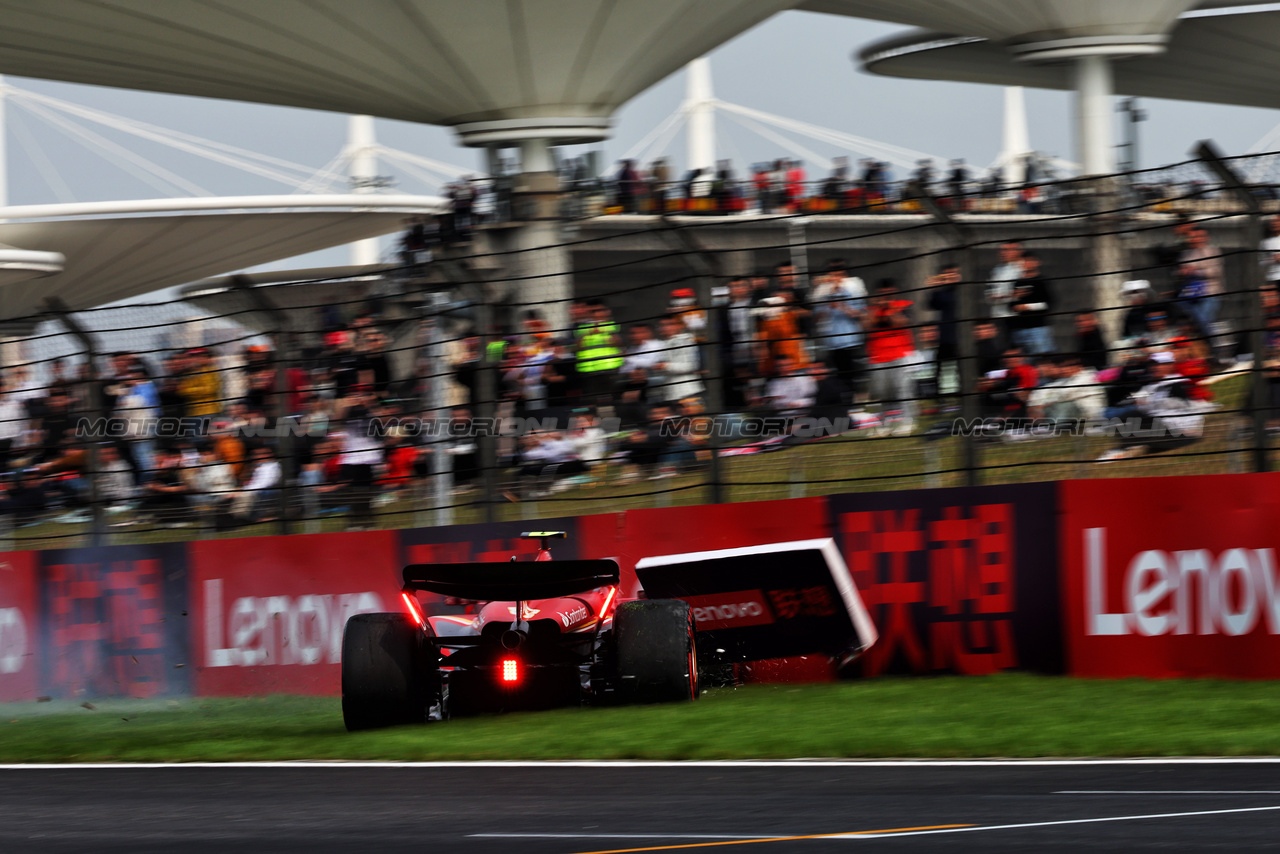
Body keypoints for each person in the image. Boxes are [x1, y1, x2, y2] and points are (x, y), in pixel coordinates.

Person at [866, 279, 917, 427]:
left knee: (903, 389)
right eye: (883, 294)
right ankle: (885, 421)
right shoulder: (871, 309)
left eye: (889, 293)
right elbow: (867, 325)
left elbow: (902, 322)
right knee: (881, 391)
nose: (886, 296)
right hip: (878, 356)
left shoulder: (904, 304)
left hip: (901, 353)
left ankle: (908, 420)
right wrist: (877, 308)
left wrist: (889, 308)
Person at [1008, 253, 1054, 355]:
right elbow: (1011, 304)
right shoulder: (1017, 282)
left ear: (1036, 263)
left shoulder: (1041, 281)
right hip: (1019, 329)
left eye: (1029, 261)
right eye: (1024, 261)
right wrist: (1015, 306)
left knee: (1041, 359)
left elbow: (1050, 303)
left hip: (1037, 328)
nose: (1026, 264)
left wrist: (1028, 306)